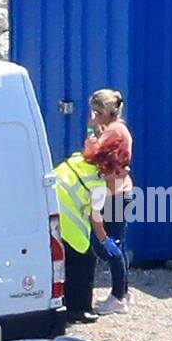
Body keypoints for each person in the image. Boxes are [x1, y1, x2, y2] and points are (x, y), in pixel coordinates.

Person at [53, 150, 119, 323]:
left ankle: (63, 304)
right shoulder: (97, 182)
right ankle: (79, 310)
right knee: (86, 260)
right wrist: (105, 240)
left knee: (63, 263)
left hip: (49, 208)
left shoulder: (78, 160)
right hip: (66, 221)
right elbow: (96, 218)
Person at [83, 89, 133, 314]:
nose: (94, 116)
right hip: (119, 191)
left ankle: (117, 297)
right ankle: (124, 291)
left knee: (109, 244)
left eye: (96, 112)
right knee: (116, 244)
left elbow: (91, 154)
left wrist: (91, 130)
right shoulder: (117, 129)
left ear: (105, 112)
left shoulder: (113, 131)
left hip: (115, 194)